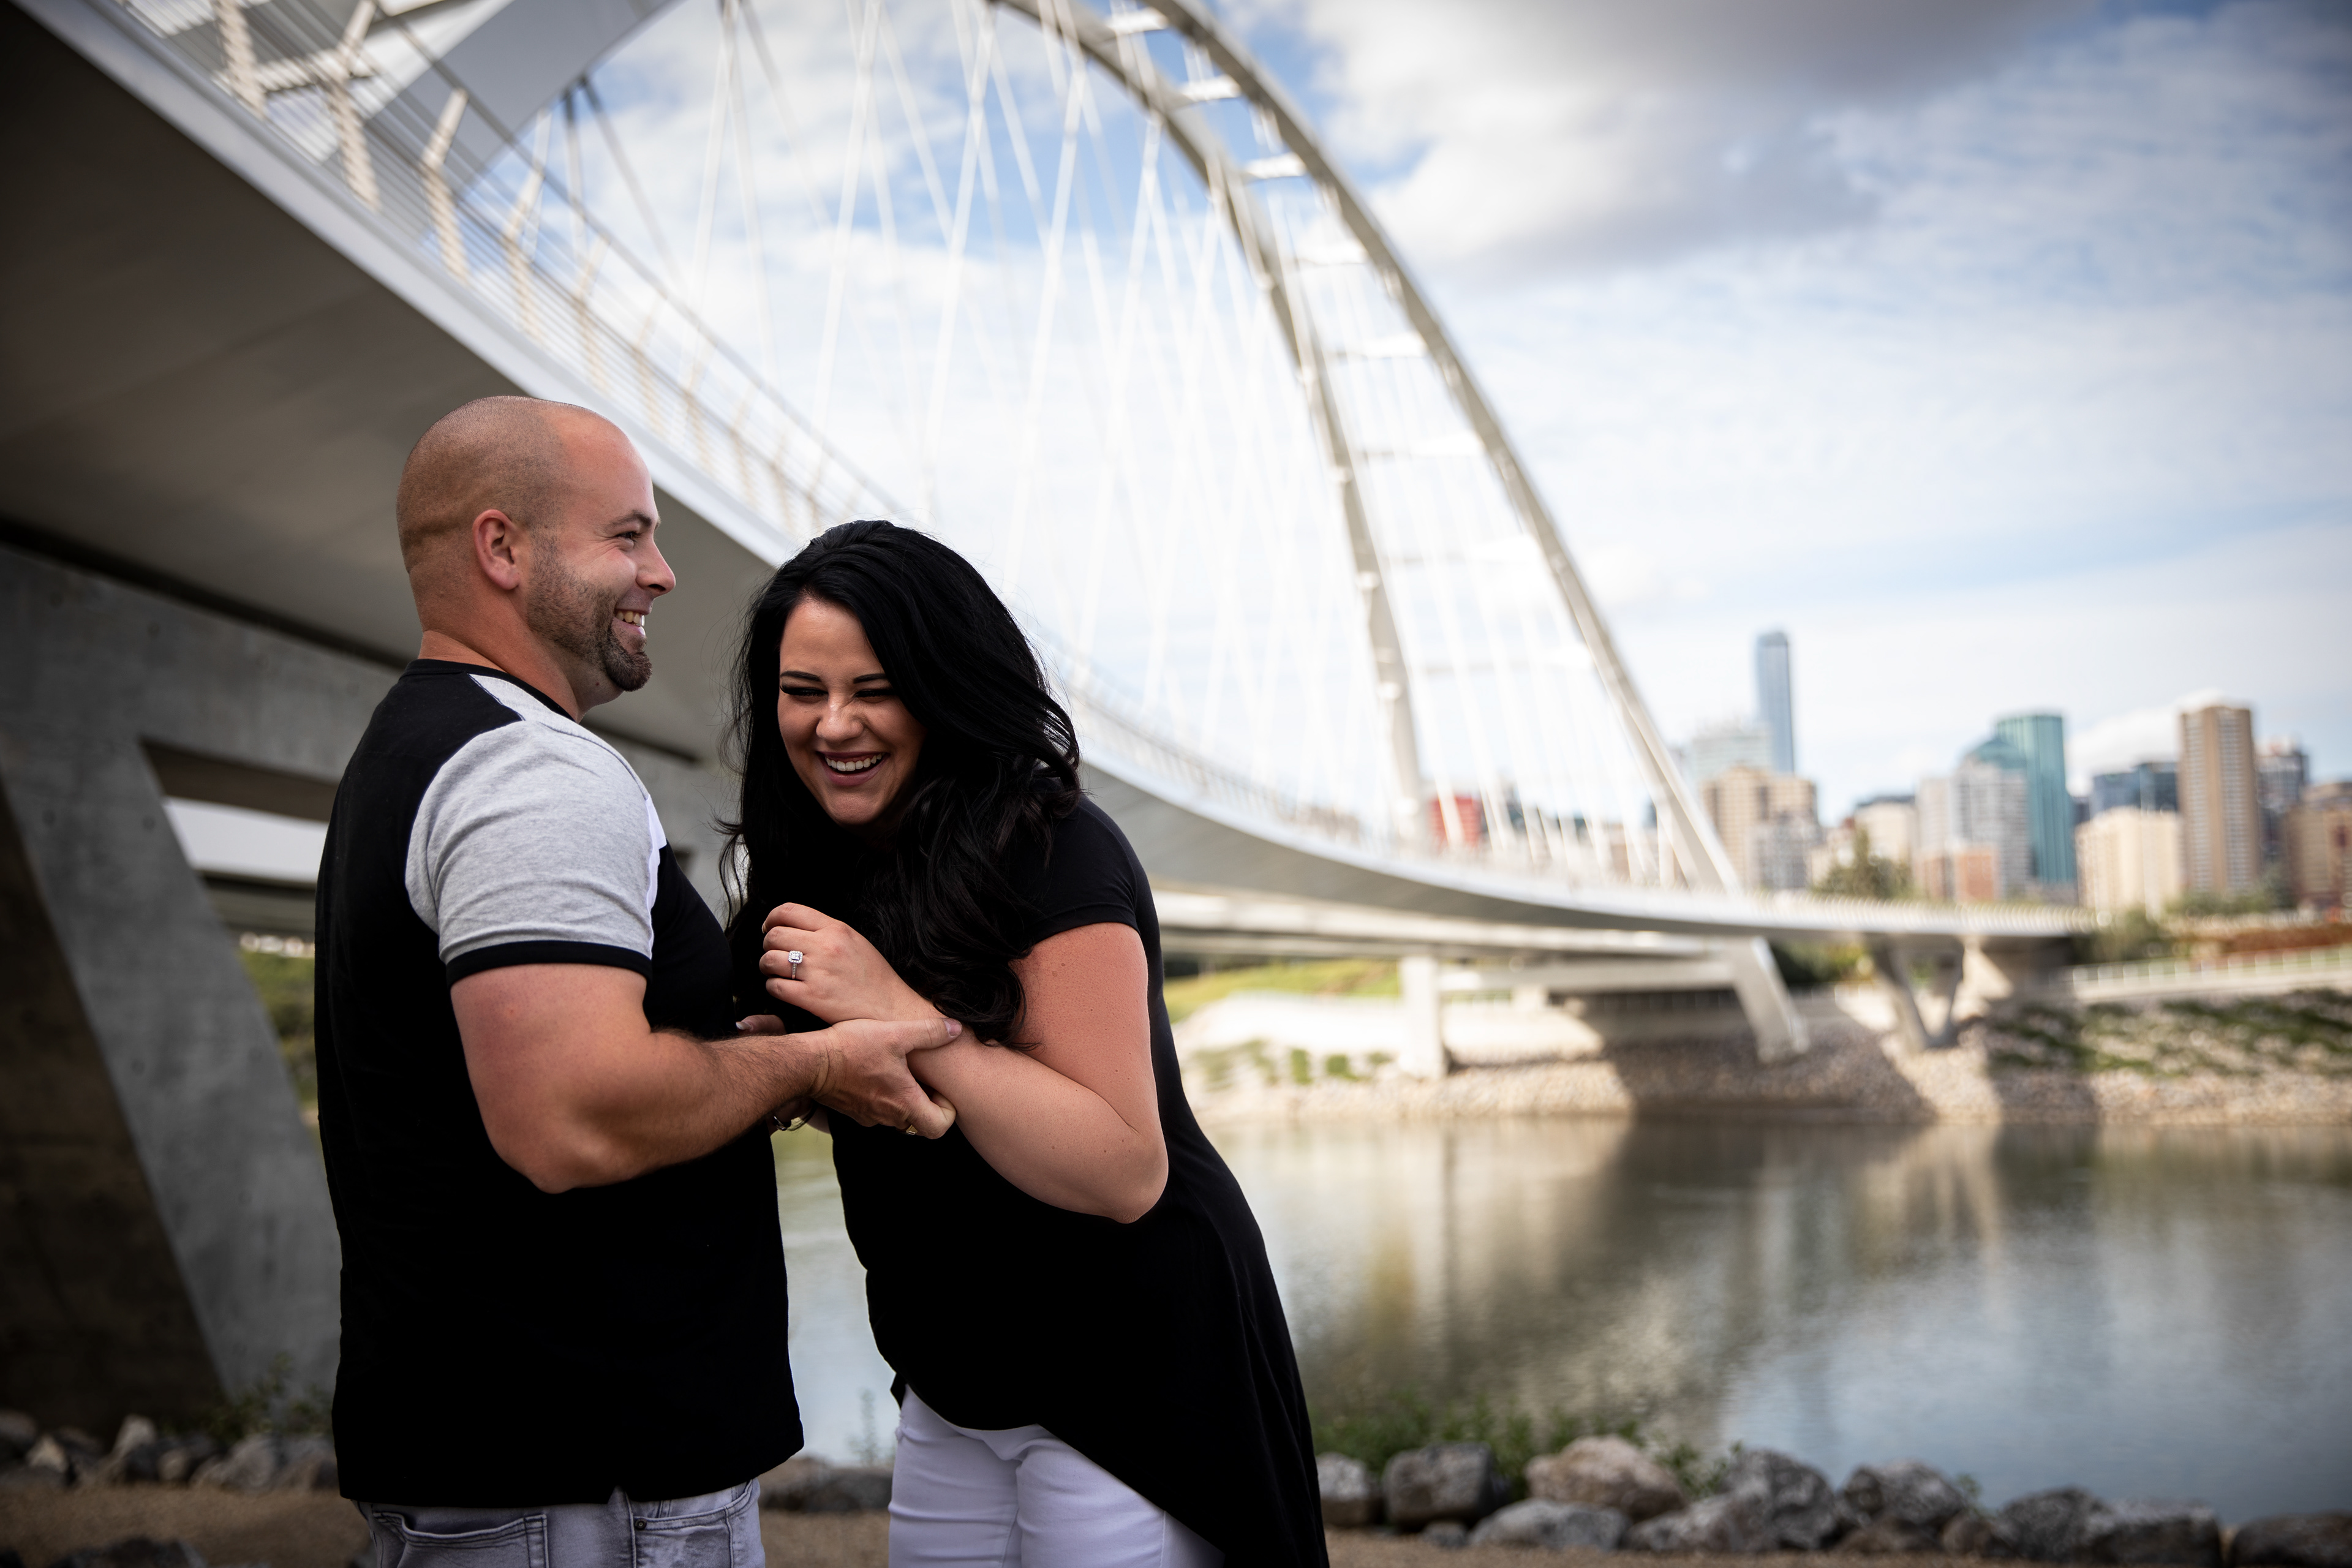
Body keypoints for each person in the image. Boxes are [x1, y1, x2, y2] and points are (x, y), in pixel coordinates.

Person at [316, 398, 959, 1564]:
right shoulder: (532, 771)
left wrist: (744, 1059)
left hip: (521, 1479)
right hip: (581, 1493)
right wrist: (815, 1062)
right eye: (628, 535)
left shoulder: (415, 750)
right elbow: (574, 1117)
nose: (662, 573)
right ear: (502, 549)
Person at [722, 520, 1329, 1568]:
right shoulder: (815, 863)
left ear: (945, 685)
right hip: (953, 1376)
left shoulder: (1050, 845)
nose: (833, 725)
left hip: (1127, 1372)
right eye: (802, 690)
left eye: (874, 688)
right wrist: (805, 1069)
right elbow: (901, 1105)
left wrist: (893, 1009)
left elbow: (1122, 1168)